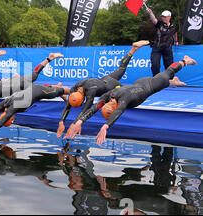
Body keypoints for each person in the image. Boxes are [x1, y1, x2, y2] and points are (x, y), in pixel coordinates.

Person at [66, 56, 197, 145]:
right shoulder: (115, 99)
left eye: (108, 104)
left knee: (168, 72)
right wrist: (80, 122)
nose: (109, 102)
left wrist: (100, 125)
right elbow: (99, 109)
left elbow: (98, 108)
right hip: (140, 84)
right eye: (111, 105)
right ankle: (172, 83)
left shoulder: (113, 96)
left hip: (149, 85)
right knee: (163, 82)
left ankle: (184, 61)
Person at [57, 40, 150, 138]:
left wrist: (75, 123)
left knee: (130, 91)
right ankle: (133, 49)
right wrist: (61, 122)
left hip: (113, 86)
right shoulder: (76, 87)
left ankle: (146, 84)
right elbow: (69, 104)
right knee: (121, 68)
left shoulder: (88, 91)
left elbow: (86, 109)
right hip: (106, 79)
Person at [0, 53, 64, 127]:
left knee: (34, 77)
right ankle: (55, 86)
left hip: (16, 83)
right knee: (35, 87)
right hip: (13, 84)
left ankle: (49, 59)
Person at [0, 84, 71, 143]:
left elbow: (0, 122)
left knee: (60, 91)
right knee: (51, 89)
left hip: (38, 91)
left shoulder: (12, 108)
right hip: (29, 90)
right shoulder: (3, 104)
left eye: (11, 120)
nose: (13, 119)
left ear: (10, 117)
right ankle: (55, 86)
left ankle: (67, 89)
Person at [146, 9, 180, 77]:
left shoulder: (174, 25)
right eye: (162, 16)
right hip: (157, 47)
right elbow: (154, 20)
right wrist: (150, 13)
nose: (163, 18)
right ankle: (156, 79)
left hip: (168, 48)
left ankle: (171, 80)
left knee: (169, 65)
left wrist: (176, 41)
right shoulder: (159, 24)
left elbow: (175, 33)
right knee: (155, 64)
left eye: (165, 16)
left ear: (169, 17)